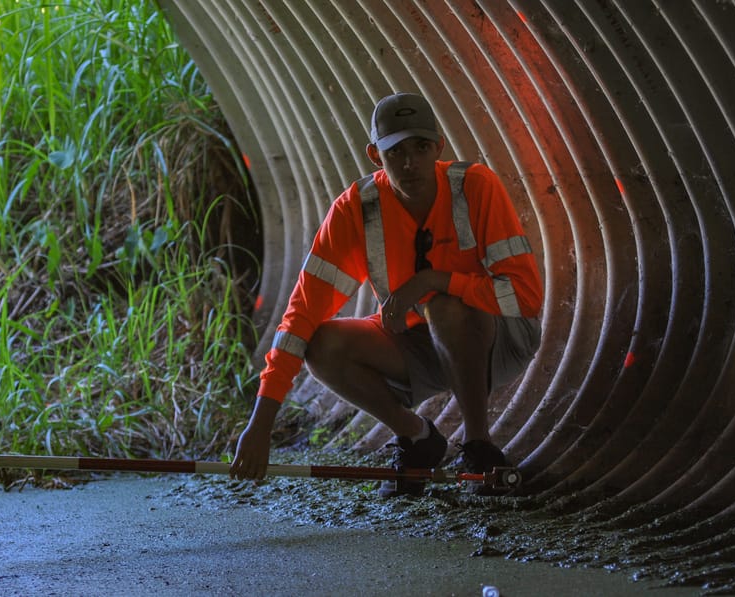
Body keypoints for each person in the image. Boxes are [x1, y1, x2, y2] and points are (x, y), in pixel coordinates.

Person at [229, 92, 543, 497]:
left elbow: (526, 298)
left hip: (496, 342)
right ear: (376, 155)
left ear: (439, 148)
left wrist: (435, 282)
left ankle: (479, 445)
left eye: (421, 147)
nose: (410, 162)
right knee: (321, 343)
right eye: (396, 152)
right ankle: (418, 438)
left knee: (444, 307)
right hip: (416, 348)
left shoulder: (476, 187)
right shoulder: (357, 210)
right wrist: (261, 423)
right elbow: (301, 314)